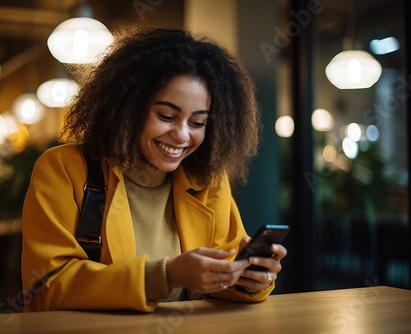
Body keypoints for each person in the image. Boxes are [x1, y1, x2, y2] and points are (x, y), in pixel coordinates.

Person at [21, 26, 287, 312]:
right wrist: (167, 275)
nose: (182, 135)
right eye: (167, 116)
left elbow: (223, 281)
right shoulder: (63, 169)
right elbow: (44, 287)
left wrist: (247, 280)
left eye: (197, 122)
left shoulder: (208, 182)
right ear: (127, 107)